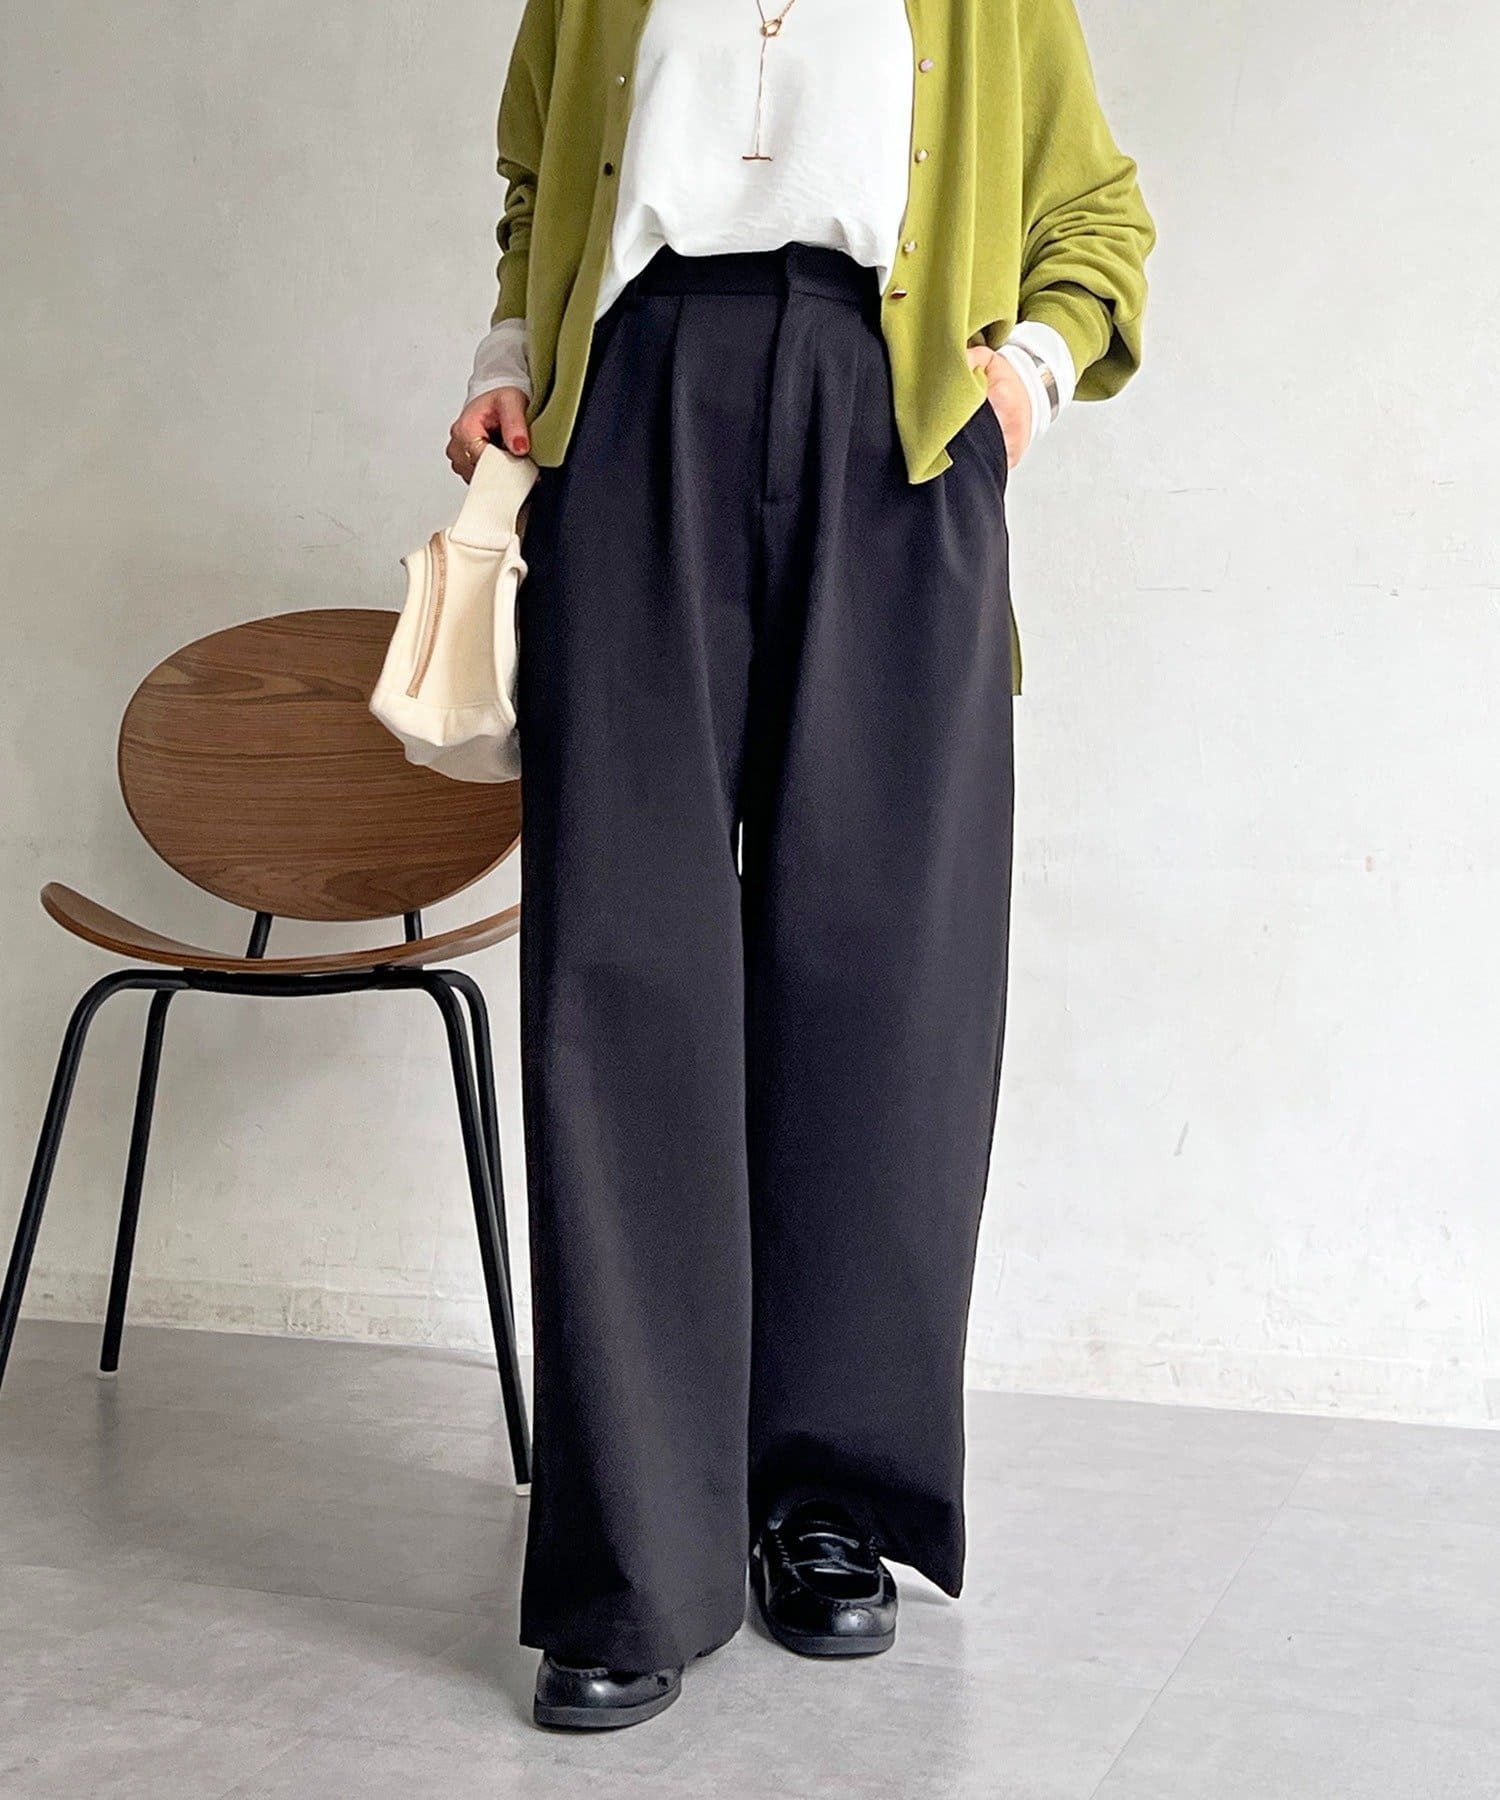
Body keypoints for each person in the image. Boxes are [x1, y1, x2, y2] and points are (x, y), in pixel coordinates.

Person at [446, 0, 1153, 1732]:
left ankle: (825, 1495)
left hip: (896, 433)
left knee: (882, 978)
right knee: (623, 978)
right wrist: (507, 361)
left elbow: (1096, 218)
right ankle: (632, 1554)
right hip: (636, 416)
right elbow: (539, 182)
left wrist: (1024, 381)